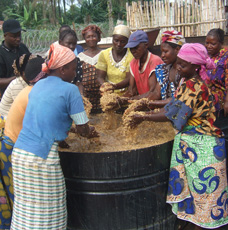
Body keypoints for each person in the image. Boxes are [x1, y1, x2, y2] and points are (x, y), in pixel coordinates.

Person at [127, 43, 228, 229]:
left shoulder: (194, 85)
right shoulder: (189, 82)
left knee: (205, 196)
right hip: (194, 146)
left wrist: (142, 117)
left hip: (204, 148)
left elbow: (172, 113)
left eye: (183, 65)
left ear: (196, 66)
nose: (179, 68)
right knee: (194, 193)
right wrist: (149, 105)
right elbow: (174, 102)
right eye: (179, 64)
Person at [10, 43, 97, 229]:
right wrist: (91, 134)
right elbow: (83, 128)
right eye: (74, 68)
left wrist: (70, 129)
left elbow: (49, 120)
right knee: (49, 214)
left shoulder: (38, 85)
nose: (75, 73)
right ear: (63, 68)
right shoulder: (71, 90)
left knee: (26, 213)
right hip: (42, 159)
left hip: (19, 156)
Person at [0, 56, 45, 230]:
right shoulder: (29, 93)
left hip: (10, 142)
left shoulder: (30, 89)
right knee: (18, 195)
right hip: (11, 147)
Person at [204, 28, 228, 148]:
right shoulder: (206, 56)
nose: (209, 46)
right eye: (207, 43)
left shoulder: (225, 57)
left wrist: (227, 101)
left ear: (221, 44)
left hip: (222, 97)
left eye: (213, 43)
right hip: (209, 99)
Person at [123, 30, 163, 99]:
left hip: (156, 104)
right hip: (143, 102)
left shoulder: (154, 61)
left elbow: (152, 92)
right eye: (131, 49)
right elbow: (132, 90)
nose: (133, 51)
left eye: (136, 48)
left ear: (146, 45)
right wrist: (118, 99)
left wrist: (133, 99)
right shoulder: (133, 63)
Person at [96, 24, 134, 95]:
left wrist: (114, 87)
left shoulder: (131, 56)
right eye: (116, 40)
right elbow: (100, 77)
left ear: (127, 42)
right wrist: (105, 87)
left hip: (126, 95)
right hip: (108, 94)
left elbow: (129, 79)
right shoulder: (104, 54)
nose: (119, 44)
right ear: (112, 39)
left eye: (123, 42)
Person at [0, 54, 36, 119]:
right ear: (23, 73)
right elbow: (24, 109)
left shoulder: (27, 82)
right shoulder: (17, 86)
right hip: (6, 120)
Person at [0, 19, 30, 96]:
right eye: (14, 36)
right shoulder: (1, 54)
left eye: (19, 35)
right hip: (10, 95)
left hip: (27, 91)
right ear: (5, 36)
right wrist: (19, 79)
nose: (18, 38)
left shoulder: (22, 47)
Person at [78, 25, 102, 113]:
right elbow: (79, 79)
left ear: (99, 38)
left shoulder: (104, 54)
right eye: (88, 37)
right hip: (87, 97)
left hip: (102, 96)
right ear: (85, 39)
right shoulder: (80, 57)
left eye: (94, 36)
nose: (91, 39)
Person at [59, 29, 84, 94]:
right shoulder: (53, 62)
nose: (72, 47)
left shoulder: (76, 61)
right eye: (69, 43)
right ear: (60, 43)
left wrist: (81, 97)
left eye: (74, 44)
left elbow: (79, 83)